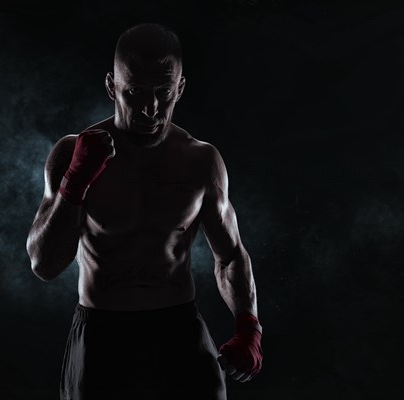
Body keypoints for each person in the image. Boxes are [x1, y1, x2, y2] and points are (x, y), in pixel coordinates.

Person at [26, 22, 263, 400]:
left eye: (163, 92)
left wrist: (249, 326)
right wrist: (74, 185)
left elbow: (231, 255)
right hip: (103, 333)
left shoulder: (201, 160)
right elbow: (44, 265)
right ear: (111, 86)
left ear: (180, 89)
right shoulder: (73, 153)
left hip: (178, 331)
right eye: (134, 91)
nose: (150, 108)